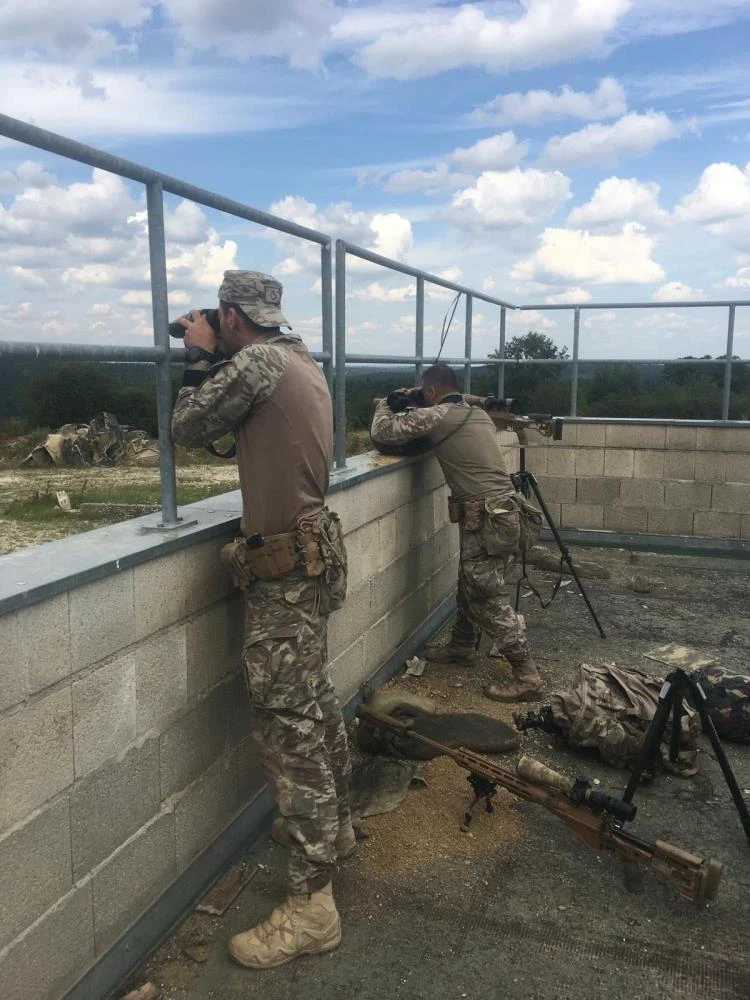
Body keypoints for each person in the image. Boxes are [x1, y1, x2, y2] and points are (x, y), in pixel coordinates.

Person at [172, 270, 354, 970]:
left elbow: (189, 427)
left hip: (284, 573)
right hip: (307, 562)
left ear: (229, 315)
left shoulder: (256, 360)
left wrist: (197, 354)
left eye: (217, 322)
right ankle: (334, 834)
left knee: (289, 730)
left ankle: (312, 907)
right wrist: (221, 353)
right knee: (313, 704)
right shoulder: (302, 359)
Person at [370, 363, 543, 702]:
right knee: (470, 585)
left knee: (486, 597)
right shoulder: (475, 412)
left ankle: (527, 675)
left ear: (431, 392)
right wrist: (422, 396)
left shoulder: (439, 416)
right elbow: (452, 401)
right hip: (503, 514)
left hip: (489, 518)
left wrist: (387, 403)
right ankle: (462, 646)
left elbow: (382, 432)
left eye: (425, 393)